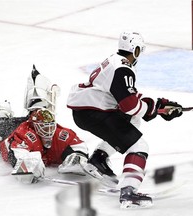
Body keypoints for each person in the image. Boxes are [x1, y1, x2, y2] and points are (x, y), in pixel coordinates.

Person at [66, 31, 183, 208]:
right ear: (134, 50)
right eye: (139, 51)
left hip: (88, 109)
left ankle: (98, 159)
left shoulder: (115, 61)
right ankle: (128, 192)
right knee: (139, 146)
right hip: (93, 112)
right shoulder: (123, 68)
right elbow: (130, 105)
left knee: (133, 121)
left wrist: (159, 104)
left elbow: (125, 97)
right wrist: (155, 110)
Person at [0, 65, 88, 184]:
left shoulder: (60, 133)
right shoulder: (24, 134)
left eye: (50, 126)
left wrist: (77, 156)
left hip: (30, 126)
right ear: (34, 125)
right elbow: (17, 153)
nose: (48, 130)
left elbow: (77, 144)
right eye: (44, 126)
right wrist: (27, 163)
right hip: (9, 135)